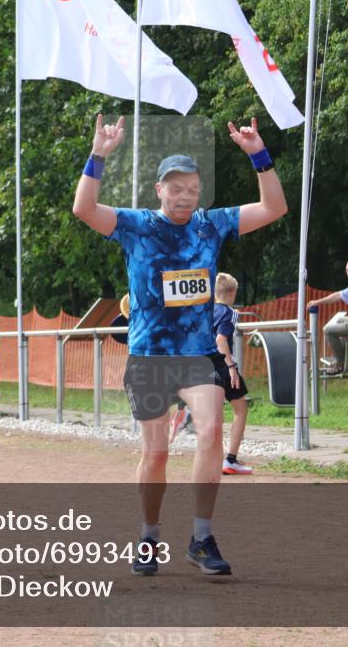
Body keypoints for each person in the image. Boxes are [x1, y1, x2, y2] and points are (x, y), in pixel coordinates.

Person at [73, 114, 287, 576]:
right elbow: (84, 210)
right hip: (149, 355)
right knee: (156, 453)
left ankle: (202, 537)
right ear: (159, 190)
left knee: (210, 431)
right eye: (176, 187)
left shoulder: (212, 225)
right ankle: (149, 536)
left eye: (192, 187)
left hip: (197, 354)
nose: (185, 195)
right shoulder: (136, 226)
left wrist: (258, 156)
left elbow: (273, 208)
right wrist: (99, 155)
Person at [213, 273, 252, 475]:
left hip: (204, 365)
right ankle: (230, 460)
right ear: (232, 292)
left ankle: (211, 460)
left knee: (213, 415)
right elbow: (221, 340)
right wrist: (231, 367)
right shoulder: (229, 312)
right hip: (222, 365)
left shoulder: (205, 311)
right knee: (240, 410)